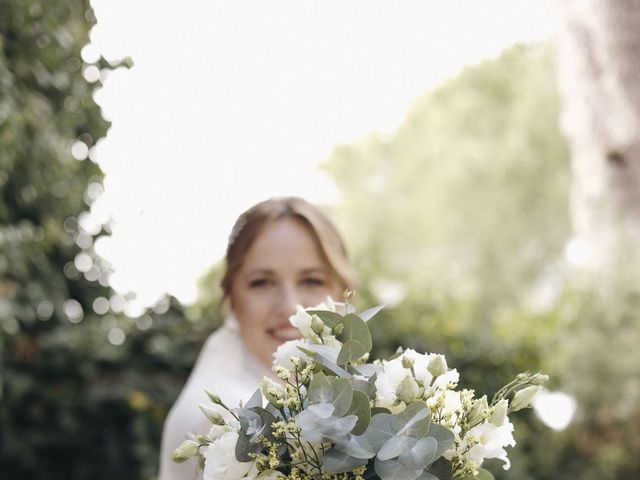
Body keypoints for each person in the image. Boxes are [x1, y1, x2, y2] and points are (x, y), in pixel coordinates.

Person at [158, 197, 355, 480]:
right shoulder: (228, 422)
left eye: (312, 281)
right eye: (261, 282)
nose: (289, 306)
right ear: (233, 298)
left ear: (341, 293)